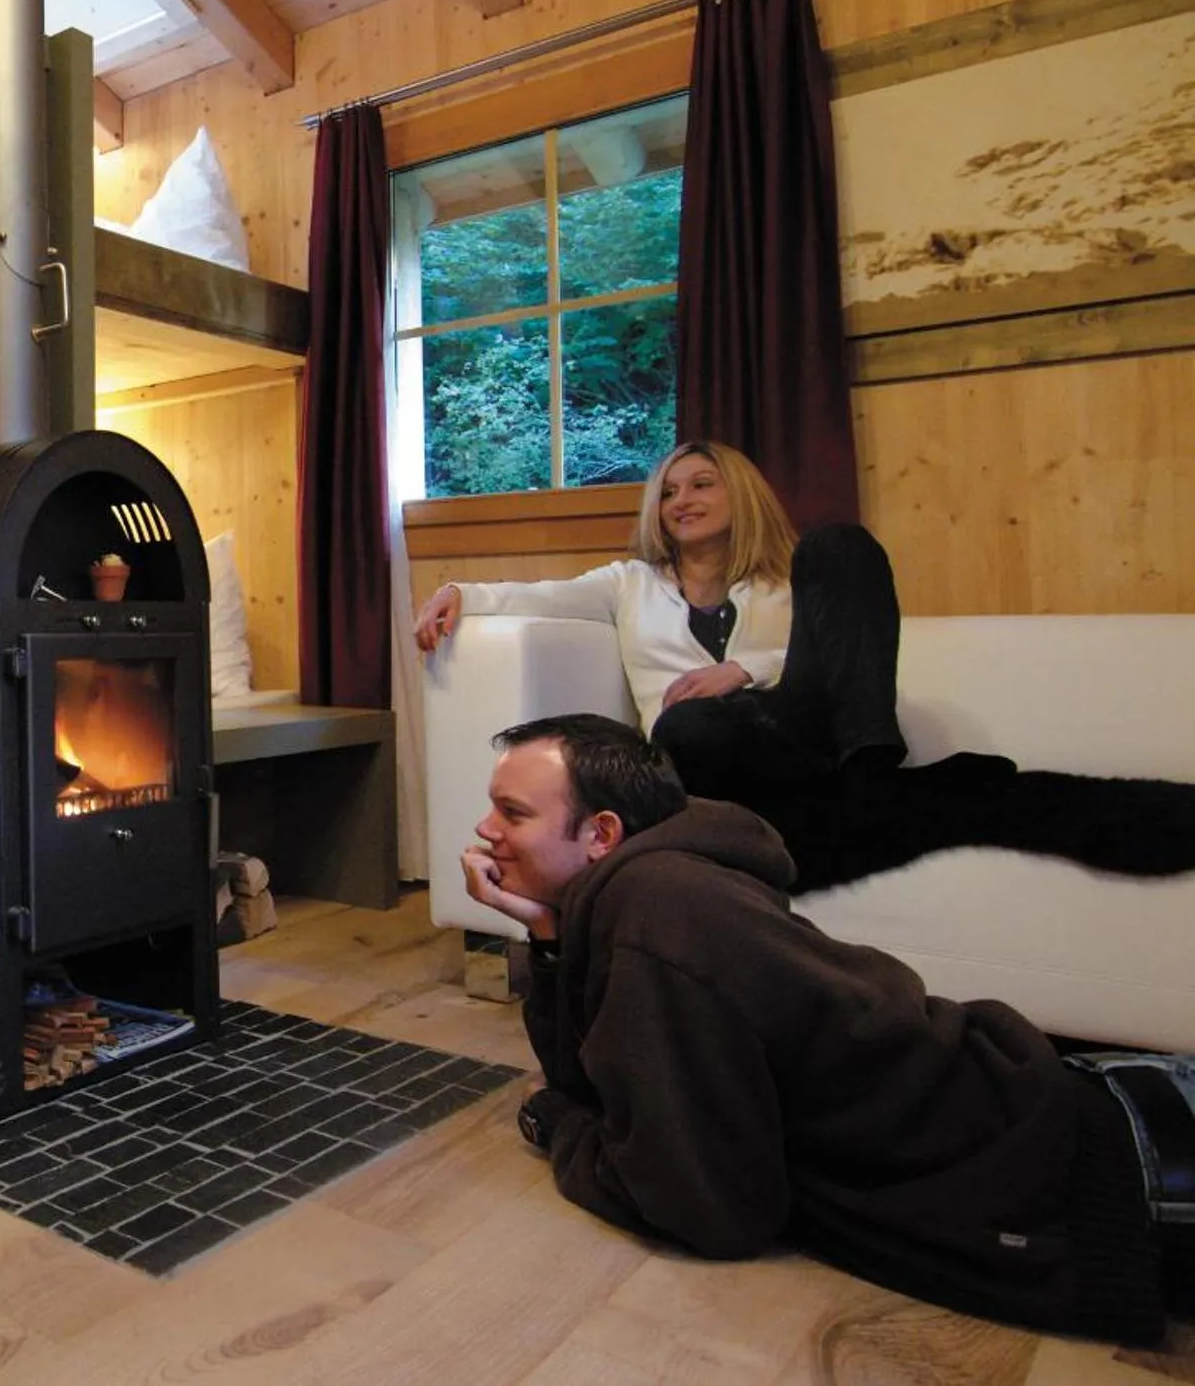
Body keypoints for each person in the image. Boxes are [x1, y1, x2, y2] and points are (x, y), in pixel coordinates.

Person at [462, 712, 1193, 1346]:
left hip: (1105, 1172)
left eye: (512, 812)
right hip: (1088, 1124)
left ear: (602, 833)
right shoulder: (654, 889)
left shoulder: (659, 912)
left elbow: (706, 1209)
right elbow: (601, 1082)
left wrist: (558, 1127)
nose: (485, 830)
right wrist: (551, 939)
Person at [413, 440, 925, 804]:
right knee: (685, 723)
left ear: (741, 495)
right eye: (668, 493)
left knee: (837, 545)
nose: (682, 501)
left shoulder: (787, 581)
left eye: (701, 485)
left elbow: (838, 664)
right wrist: (461, 592)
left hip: (793, 736)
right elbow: (546, 595)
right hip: (699, 748)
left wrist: (748, 669)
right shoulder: (629, 582)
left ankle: (869, 773)